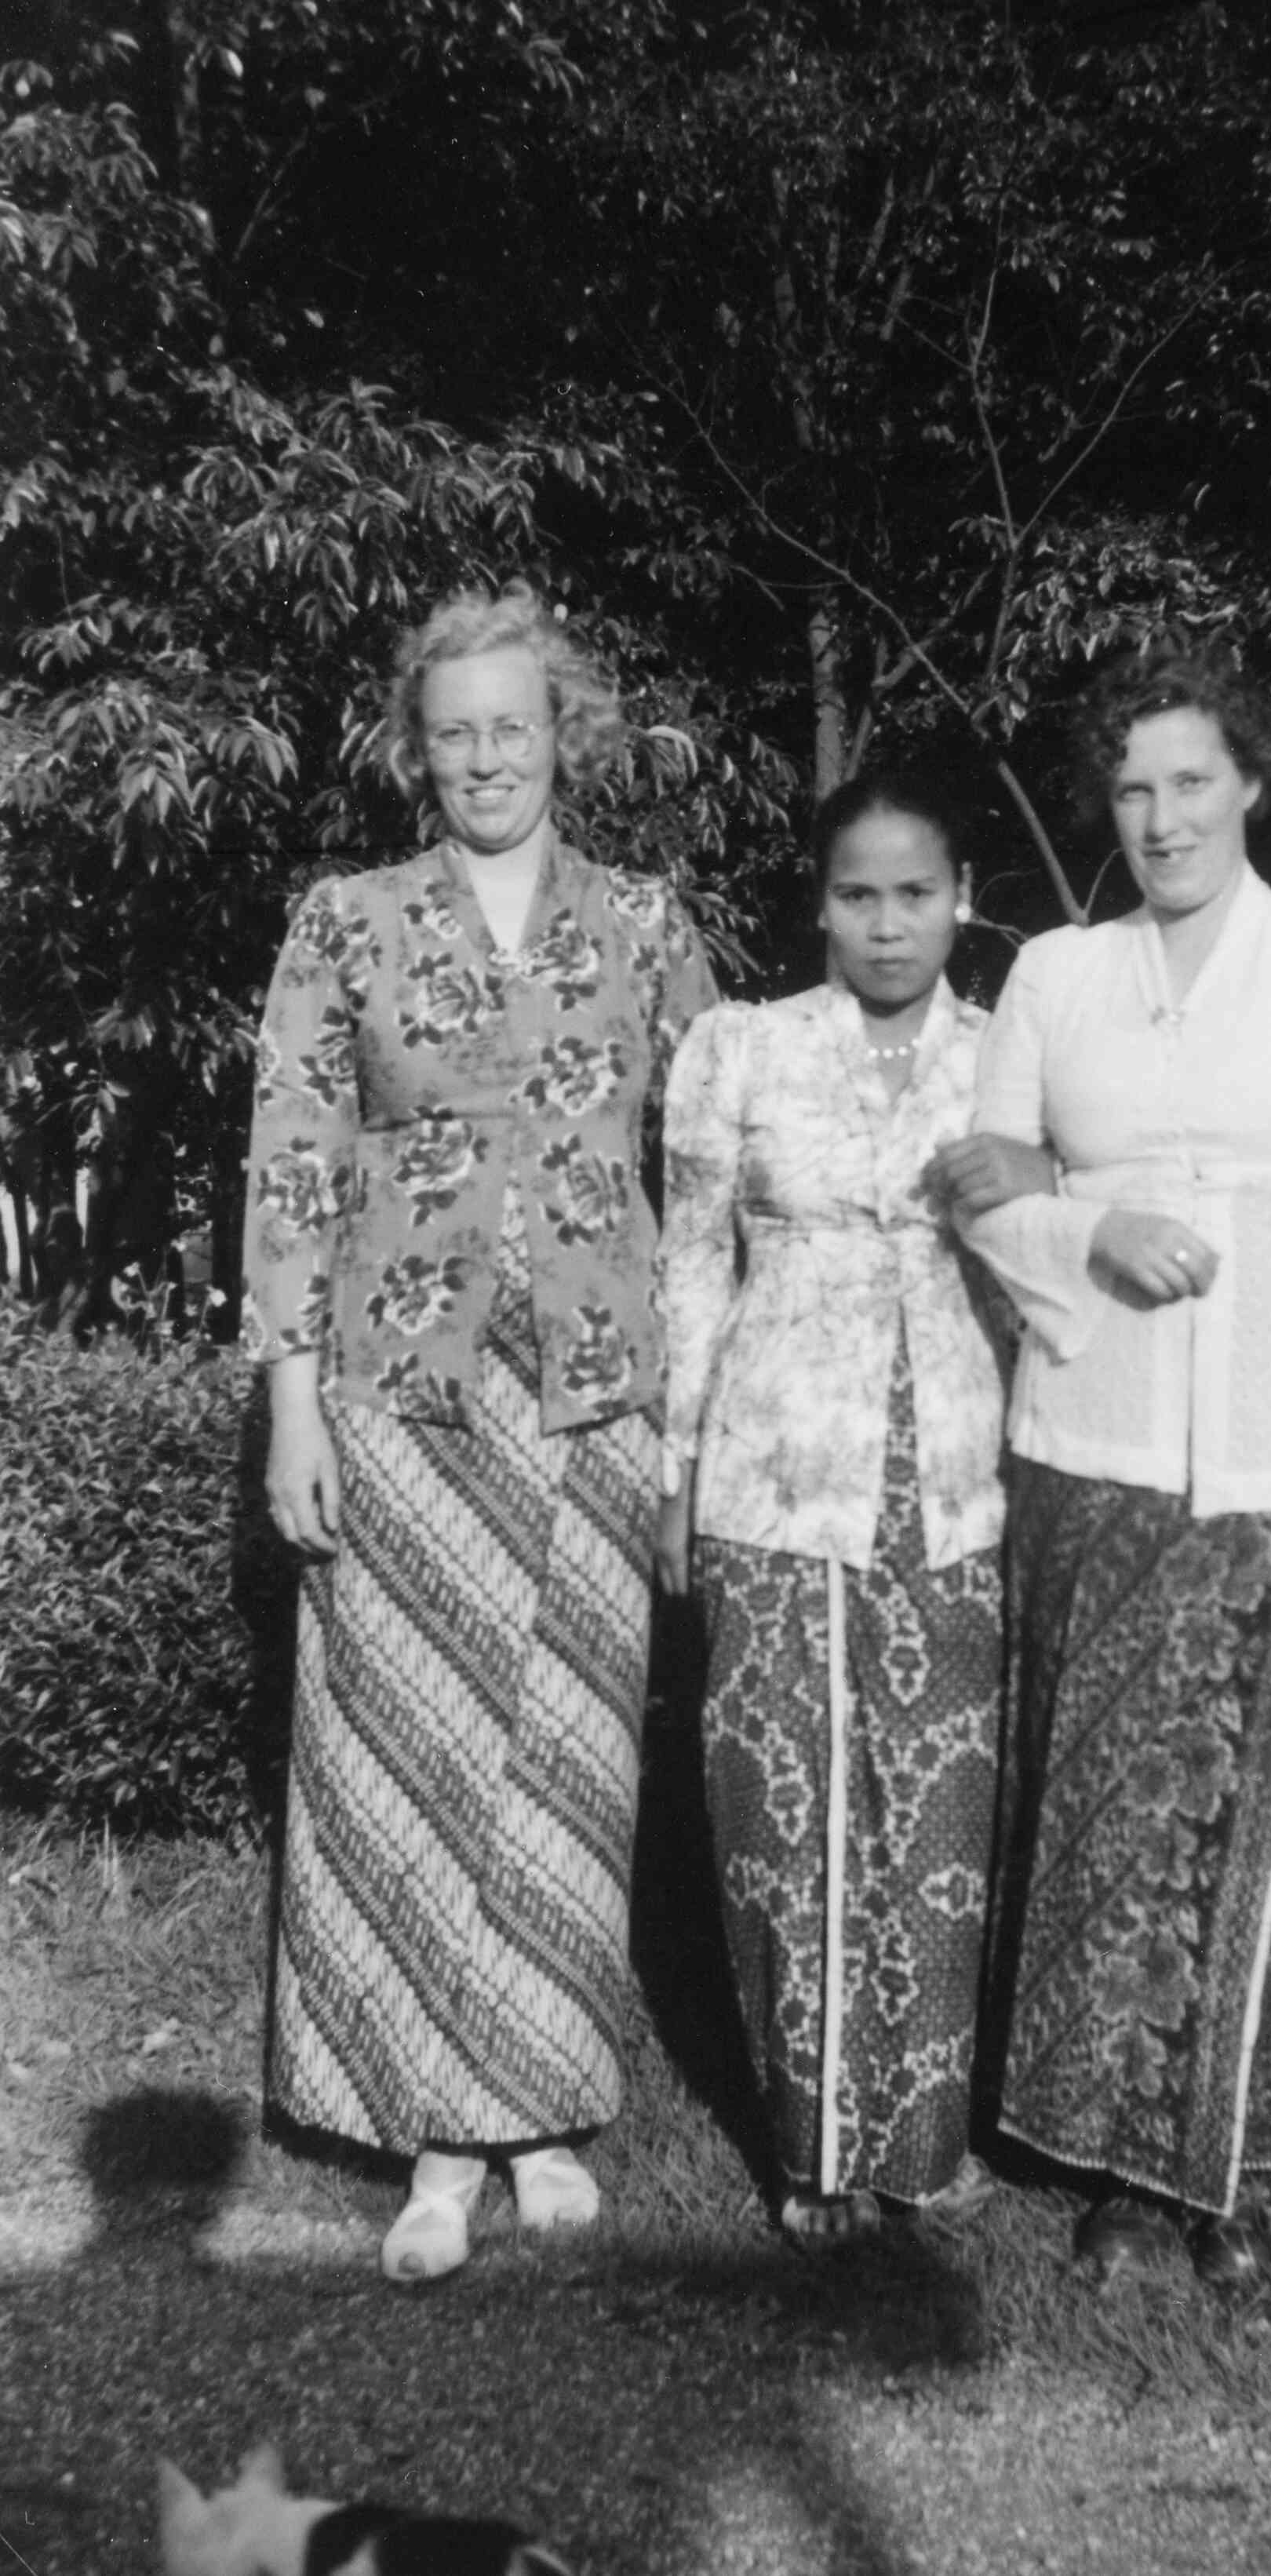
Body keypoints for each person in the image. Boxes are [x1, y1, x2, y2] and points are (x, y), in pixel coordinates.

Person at [933, 637, 1271, 2285]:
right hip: (1090, 1441)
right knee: (1114, 1807)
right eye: (1133, 788)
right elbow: (975, 1182)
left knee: (1256, 1804)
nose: (1159, 816)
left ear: (1252, 784)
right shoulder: (1059, 975)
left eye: (1190, 781)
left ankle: (1227, 2164)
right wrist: (1099, 1228)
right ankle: (1117, 2166)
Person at [242, 579, 716, 2281]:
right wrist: (293, 1402)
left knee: (570, 1752)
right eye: (456, 733)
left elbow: (725, 1165)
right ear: (416, 750)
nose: (487, 756)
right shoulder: (345, 922)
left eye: (514, 724)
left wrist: (710, 1403)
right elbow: (294, 1162)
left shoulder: (652, 924)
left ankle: (542, 2109)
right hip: (402, 1389)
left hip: (594, 1392)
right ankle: (435, 2142)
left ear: (563, 731)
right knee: (407, 1748)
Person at [655, 775, 1030, 2241]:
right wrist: (675, 1474)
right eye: (859, 894)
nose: (889, 923)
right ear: (819, 903)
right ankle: (812, 2149)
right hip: (771, 1474)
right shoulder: (736, 1049)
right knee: (780, 1815)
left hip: (952, 1484)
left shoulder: (1010, 1062)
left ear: (961, 900)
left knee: (933, 1815)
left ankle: (918, 2149)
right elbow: (692, 1265)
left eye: (917, 893)